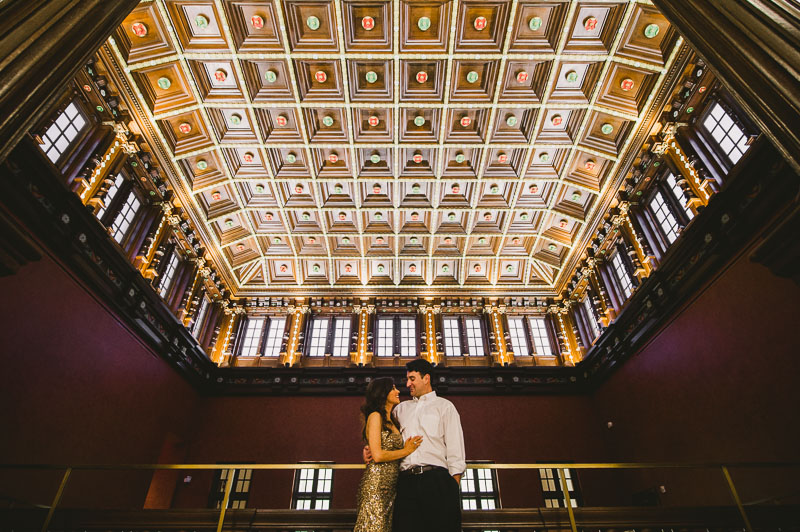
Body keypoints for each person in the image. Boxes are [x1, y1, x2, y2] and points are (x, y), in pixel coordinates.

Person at [370, 359, 466, 532]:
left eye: (412, 379)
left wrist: (452, 487)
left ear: (426, 378)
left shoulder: (445, 407)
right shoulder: (400, 409)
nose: (408, 384)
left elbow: (455, 450)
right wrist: (369, 448)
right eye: (407, 379)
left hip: (437, 481)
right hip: (405, 483)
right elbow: (384, 433)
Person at [354, 377, 423, 532]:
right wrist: (406, 450)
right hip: (376, 486)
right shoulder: (375, 416)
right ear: (382, 393)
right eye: (393, 388)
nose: (398, 391)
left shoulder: (393, 420)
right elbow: (377, 455)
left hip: (392, 487)